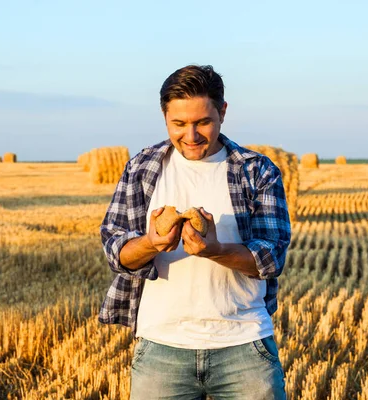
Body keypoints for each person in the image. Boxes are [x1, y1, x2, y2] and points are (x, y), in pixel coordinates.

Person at [99, 65, 291, 399]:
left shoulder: (257, 171)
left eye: (203, 122)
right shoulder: (142, 167)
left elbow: (272, 258)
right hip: (162, 347)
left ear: (223, 112)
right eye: (179, 124)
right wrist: (150, 243)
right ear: (164, 117)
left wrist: (215, 249)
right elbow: (116, 252)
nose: (191, 135)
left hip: (244, 345)